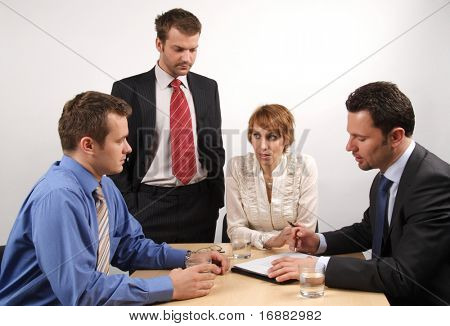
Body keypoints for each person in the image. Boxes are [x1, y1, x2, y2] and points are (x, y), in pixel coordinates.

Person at [0, 91, 229, 305]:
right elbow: (80, 294)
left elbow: (129, 247)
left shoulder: (104, 185)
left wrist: (188, 258)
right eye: (120, 141)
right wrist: (169, 286)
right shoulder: (59, 198)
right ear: (88, 145)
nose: (128, 149)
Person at [268, 82, 450, 305]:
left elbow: (404, 275)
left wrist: (318, 266)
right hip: (384, 296)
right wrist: (318, 242)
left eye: (360, 138)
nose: (349, 146)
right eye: (350, 135)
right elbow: (369, 230)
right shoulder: (385, 176)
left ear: (395, 137)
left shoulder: (435, 183)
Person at [110, 8, 224, 243]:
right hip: (148, 206)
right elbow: (114, 152)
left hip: (200, 204)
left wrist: (214, 199)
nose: (187, 58)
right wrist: (129, 204)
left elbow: (215, 145)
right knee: (148, 278)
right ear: (159, 44)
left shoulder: (207, 88)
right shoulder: (127, 89)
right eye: (179, 49)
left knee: (201, 277)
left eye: (193, 50)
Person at [226, 104, 318, 249]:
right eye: (257, 136)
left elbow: (306, 230)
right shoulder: (236, 167)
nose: (262, 146)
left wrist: (255, 237)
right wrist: (272, 240)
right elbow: (235, 230)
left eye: (272, 137)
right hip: (249, 254)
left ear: (286, 139)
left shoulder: (305, 165)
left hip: (292, 253)